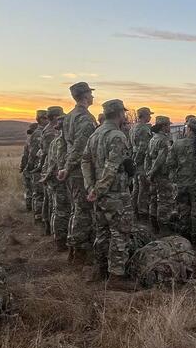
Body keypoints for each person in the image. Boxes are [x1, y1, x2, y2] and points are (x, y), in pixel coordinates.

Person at [82, 99, 134, 281]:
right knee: (120, 234)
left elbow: (85, 161)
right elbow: (112, 167)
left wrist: (90, 187)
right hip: (115, 194)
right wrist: (99, 189)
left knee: (102, 233)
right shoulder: (117, 136)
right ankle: (116, 277)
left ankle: (100, 270)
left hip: (99, 194)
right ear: (120, 114)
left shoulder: (94, 135)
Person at [58, 82, 97, 264]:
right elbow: (81, 147)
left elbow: (64, 145)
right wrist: (68, 167)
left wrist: (64, 165)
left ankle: (74, 249)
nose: (93, 97)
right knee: (83, 210)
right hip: (79, 170)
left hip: (72, 168)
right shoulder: (84, 118)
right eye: (91, 93)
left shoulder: (69, 117)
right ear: (84, 96)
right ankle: (79, 252)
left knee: (76, 209)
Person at [167, 117, 196, 243]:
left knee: (183, 210)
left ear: (188, 128)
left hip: (182, 182)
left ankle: (185, 236)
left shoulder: (178, 144)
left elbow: (170, 162)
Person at [40, 112, 69, 251]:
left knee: (56, 209)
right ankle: (60, 241)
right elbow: (61, 164)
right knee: (61, 211)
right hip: (59, 180)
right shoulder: (61, 143)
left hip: (53, 179)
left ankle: (56, 237)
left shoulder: (55, 141)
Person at [38, 106, 64, 235]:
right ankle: (50, 229)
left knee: (50, 202)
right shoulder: (50, 133)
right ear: (55, 117)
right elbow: (49, 156)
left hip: (49, 171)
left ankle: (49, 227)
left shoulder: (48, 130)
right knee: (53, 204)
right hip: (52, 172)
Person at [145, 115, 174, 232]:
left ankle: (154, 225)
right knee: (164, 200)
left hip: (153, 173)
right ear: (163, 126)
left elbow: (147, 157)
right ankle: (164, 226)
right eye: (168, 125)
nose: (169, 128)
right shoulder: (164, 140)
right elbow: (161, 160)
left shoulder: (153, 139)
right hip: (161, 174)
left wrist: (148, 172)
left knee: (153, 199)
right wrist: (152, 172)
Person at [129, 107, 154, 221]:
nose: (150, 117)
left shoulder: (133, 128)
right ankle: (142, 212)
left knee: (136, 188)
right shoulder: (144, 129)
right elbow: (143, 147)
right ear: (145, 115)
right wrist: (138, 161)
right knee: (143, 188)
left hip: (134, 158)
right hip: (142, 161)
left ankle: (133, 210)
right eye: (149, 115)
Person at [25, 110, 49, 223]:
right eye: (45, 118)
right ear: (40, 119)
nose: (47, 120)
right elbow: (33, 153)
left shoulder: (46, 131)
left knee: (45, 195)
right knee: (39, 194)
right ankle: (38, 218)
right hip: (37, 167)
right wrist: (30, 168)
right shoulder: (37, 134)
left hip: (46, 168)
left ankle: (43, 217)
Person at [20, 121, 38, 212]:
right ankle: (33, 209)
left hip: (29, 168)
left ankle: (29, 208)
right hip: (33, 169)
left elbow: (25, 156)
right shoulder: (35, 140)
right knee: (35, 191)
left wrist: (23, 168)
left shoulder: (28, 141)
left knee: (29, 190)